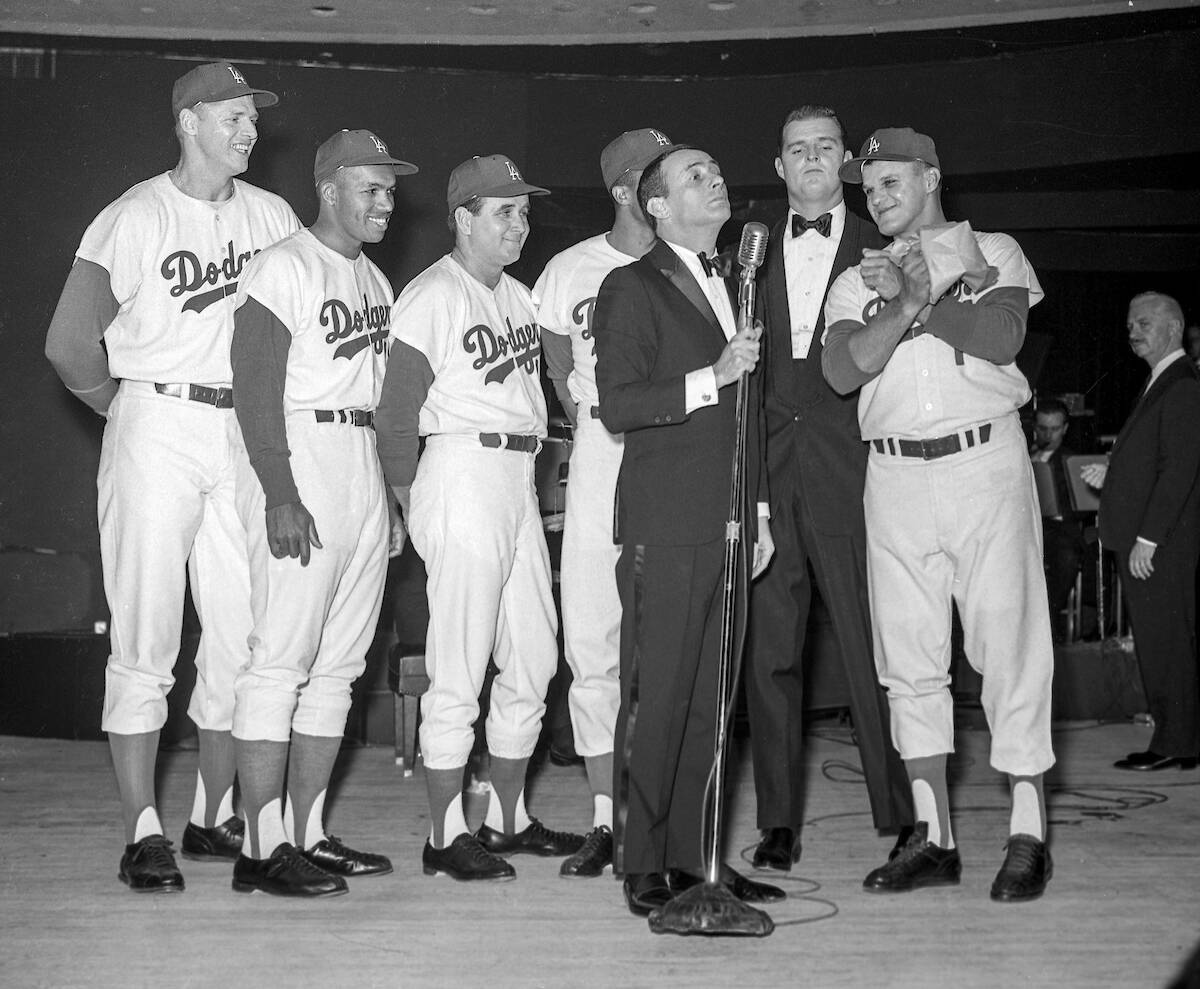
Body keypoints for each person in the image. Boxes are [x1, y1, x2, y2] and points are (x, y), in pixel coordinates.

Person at [44, 62, 300, 892]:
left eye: (252, 118)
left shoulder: (274, 216)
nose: (250, 131)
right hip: (158, 416)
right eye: (232, 117)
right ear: (189, 122)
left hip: (246, 429)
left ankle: (208, 813)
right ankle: (141, 828)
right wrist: (122, 411)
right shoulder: (135, 214)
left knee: (241, 633)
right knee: (147, 631)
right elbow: (69, 341)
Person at [822, 127, 1055, 902]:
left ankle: (1027, 831)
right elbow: (841, 367)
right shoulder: (859, 277)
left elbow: (1001, 333)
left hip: (984, 460)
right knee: (908, 658)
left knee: (1007, 640)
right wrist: (908, 299)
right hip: (893, 471)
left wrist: (918, 304)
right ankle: (934, 835)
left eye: (893, 181)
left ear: (931, 176)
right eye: (870, 187)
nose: (878, 198)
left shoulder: (994, 249)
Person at [375, 154, 584, 882]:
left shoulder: (521, 298)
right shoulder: (433, 295)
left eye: (524, 212)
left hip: (516, 476)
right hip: (459, 470)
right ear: (463, 218)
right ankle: (443, 833)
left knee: (534, 655)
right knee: (459, 664)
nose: (519, 224)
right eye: (503, 211)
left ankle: (505, 816)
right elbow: (396, 415)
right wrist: (412, 506)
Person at [592, 144, 784, 917]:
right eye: (694, 175)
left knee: (715, 700)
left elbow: (753, 414)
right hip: (667, 522)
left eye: (716, 168)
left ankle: (696, 857)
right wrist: (715, 375)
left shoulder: (738, 281)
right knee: (659, 694)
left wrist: (761, 509)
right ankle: (642, 860)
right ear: (657, 206)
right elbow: (619, 403)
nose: (715, 179)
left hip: (733, 521)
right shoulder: (629, 285)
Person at [226, 129, 416, 896]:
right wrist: (278, 491)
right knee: (280, 660)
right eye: (371, 188)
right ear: (330, 187)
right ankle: (258, 842)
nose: (386, 202)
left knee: (338, 665)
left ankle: (305, 832)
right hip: (300, 456)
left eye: (392, 191)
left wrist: (389, 496)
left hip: (359, 463)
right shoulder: (283, 267)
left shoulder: (374, 279)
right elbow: (253, 384)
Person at [745, 104, 912, 872]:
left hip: (857, 472)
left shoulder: (890, 251)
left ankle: (902, 810)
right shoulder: (740, 253)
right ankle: (778, 821)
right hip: (770, 477)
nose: (810, 160)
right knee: (770, 654)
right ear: (779, 168)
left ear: (844, 161)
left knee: (877, 644)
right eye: (795, 150)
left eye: (823, 148)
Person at [534, 128, 676, 879]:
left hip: (673, 449)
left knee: (667, 640)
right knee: (592, 636)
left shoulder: (691, 263)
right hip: (600, 448)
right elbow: (557, 369)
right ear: (627, 191)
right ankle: (603, 818)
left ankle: (662, 811)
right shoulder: (569, 270)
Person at [1082, 292, 1200, 772]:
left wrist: (1148, 539)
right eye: (1131, 323)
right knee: (1166, 642)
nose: (1133, 331)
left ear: (1173, 328)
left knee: (1166, 644)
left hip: (1160, 545)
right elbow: (1155, 461)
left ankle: (1175, 742)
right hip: (1153, 540)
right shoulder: (1162, 383)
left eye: (1145, 323)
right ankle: (1181, 740)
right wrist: (1113, 475)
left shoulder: (1181, 387)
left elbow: (1180, 470)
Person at [1029, 398, 1087, 640]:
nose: (1048, 434)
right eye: (1043, 429)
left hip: (1058, 528)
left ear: (1064, 429)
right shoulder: (1022, 455)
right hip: (1027, 528)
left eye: (1054, 429)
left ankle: (1047, 622)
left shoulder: (1072, 460)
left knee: (1065, 557)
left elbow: (1084, 508)